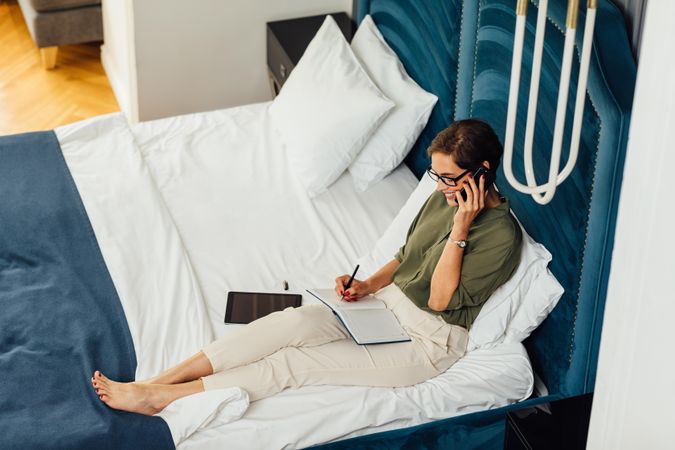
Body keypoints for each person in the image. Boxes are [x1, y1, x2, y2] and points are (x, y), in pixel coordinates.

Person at [91, 119, 522, 415]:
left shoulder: (500, 235)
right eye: (436, 176)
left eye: (449, 178)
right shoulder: (441, 196)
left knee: (292, 365)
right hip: (385, 307)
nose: (442, 187)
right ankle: (160, 379)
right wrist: (367, 284)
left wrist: (461, 228)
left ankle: (162, 398)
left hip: (427, 340)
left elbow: (439, 298)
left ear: (481, 173)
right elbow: (406, 258)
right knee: (287, 325)